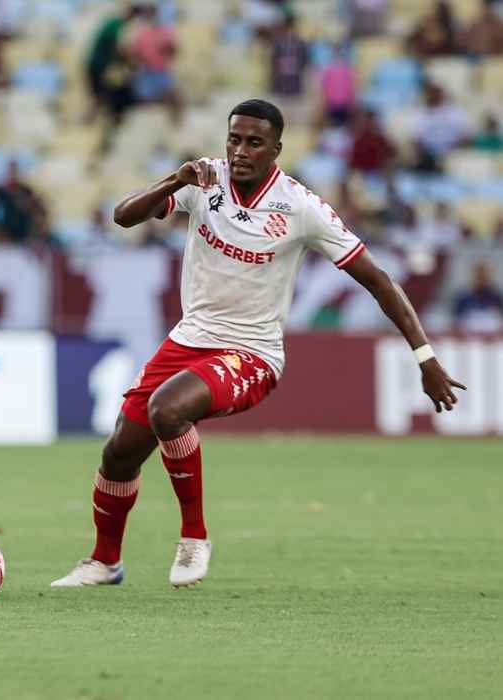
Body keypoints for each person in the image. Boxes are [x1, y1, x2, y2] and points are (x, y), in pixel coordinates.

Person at [51, 99, 465, 589]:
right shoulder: (204, 182)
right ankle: (105, 562)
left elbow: (378, 280)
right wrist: (176, 181)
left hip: (251, 353)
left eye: (254, 142)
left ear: (275, 149)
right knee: (119, 452)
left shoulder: (301, 208)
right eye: (234, 139)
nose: (240, 151)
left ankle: (194, 537)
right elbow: (123, 218)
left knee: (168, 410)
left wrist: (424, 356)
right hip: (188, 339)